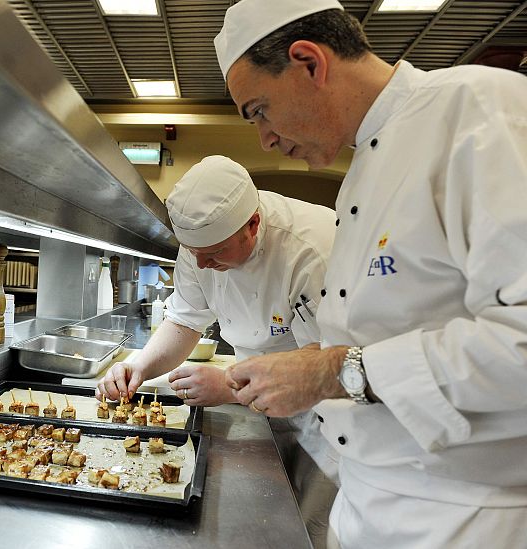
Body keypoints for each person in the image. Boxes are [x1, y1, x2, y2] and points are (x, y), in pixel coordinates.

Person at [214, 0, 527, 547]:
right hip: (368, 506)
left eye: (258, 109)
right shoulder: (365, 165)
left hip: (465, 520)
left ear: (309, 62)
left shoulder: (477, 110)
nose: (263, 137)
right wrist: (317, 361)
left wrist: (335, 370)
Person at [95, 154, 338, 546]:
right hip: (258, 396)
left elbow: (323, 365)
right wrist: (138, 366)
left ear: (253, 225)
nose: (202, 264)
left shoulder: (312, 250)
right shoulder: (199, 247)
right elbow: (184, 321)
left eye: (214, 253)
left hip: (325, 425)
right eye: (193, 253)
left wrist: (229, 385)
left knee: (308, 533)